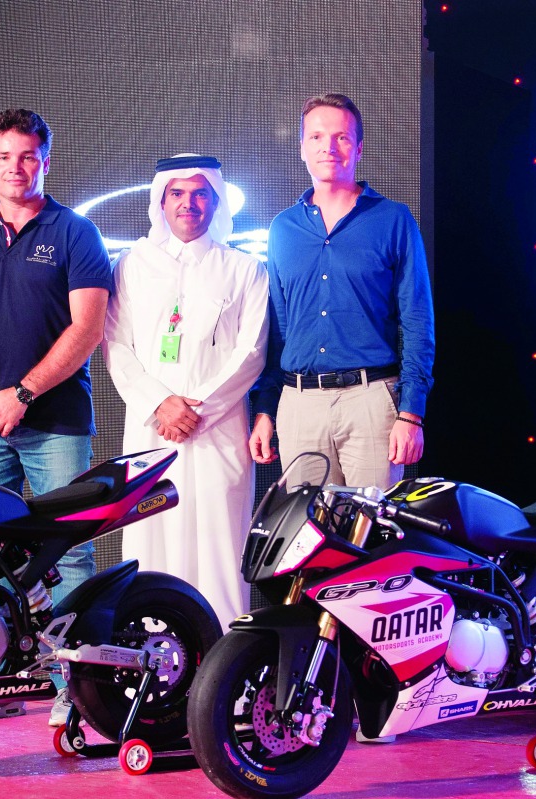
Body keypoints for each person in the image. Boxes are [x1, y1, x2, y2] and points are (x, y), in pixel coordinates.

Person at [251, 94, 435, 744]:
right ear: (301, 146)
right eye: (317, 136)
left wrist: (409, 409)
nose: (329, 147)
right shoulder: (282, 229)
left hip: (371, 399)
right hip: (297, 402)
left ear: (358, 147)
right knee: (303, 551)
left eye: (341, 137)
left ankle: (382, 694)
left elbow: (417, 318)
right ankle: (313, 694)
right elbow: (273, 327)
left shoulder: (392, 221)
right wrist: (264, 407)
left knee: (376, 553)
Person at [0, 108, 112, 726]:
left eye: (27, 156)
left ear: (45, 160)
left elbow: (87, 329)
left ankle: (78, 691)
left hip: (55, 421)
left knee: (71, 555)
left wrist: (21, 395)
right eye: (4, 157)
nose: (16, 167)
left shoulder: (75, 233)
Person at [103, 154, 268, 631]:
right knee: (150, 541)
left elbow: (252, 352)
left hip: (217, 433)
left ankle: (222, 667)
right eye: (176, 193)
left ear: (215, 200)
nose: (188, 204)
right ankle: (155, 663)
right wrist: (162, 404)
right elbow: (116, 344)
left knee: (219, 544)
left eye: (200, 193)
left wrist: (199, 410)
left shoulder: (243, 269)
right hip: (152, 429)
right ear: (160, 200)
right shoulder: (132, 265)